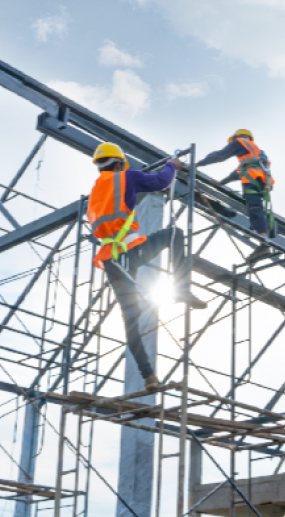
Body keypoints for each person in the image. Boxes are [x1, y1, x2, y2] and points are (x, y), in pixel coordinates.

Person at [87, 142, 207, 390]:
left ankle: (148, 377)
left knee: (130, 318)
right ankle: (181, 288)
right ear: (119, 163)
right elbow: (161, 183)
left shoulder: (96, 191)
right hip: (130, 248)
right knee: (175, 234)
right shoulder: (127, 176)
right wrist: (171, 166)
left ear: (99, 166)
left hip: (111, 258)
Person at [198, 129, 275, 259]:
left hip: (253, 180)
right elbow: (237, 172)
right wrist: (222, 182)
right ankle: (264, 239)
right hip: (261, 181)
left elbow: (219, 155)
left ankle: (263, 241)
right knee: (255, 207)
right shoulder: (256, 154)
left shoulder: (240, 141)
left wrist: (197, 164)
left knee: (255, 207)